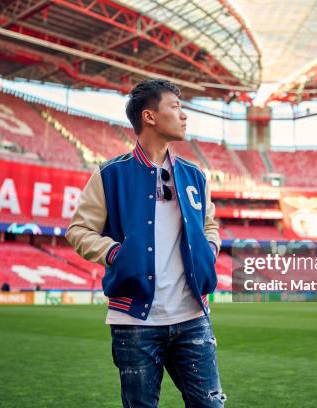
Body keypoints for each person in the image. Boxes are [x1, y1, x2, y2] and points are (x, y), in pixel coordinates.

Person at [66, 79, 226, 407]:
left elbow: (210, 225)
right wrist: (115, 253)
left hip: (193, 316)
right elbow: (78, 230)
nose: (184, 116)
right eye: (176, 107)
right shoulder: (110, 175)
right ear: (149, 117)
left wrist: (210, 250)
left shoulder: (195, 176)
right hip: (135, 322)